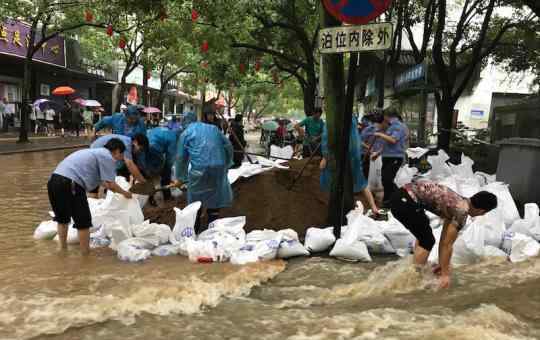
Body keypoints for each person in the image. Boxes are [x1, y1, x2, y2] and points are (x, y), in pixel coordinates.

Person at [390, 180, 497, 288]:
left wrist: (442, 266)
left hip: (400, 195)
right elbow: (447, 244)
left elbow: (444, 239)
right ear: (482, 211)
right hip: (405, 201)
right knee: (427, 240)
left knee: (424, 233)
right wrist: (445, 275)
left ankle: (416, 266)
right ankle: (413, 278)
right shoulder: (461, 212)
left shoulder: (459, 201)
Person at [47, 138, 132, 255]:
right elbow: (111, 185)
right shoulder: (107, 157)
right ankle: (85, 255)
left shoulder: (94, 153)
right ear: (117, 151)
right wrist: (125, 193)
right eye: (121, 154)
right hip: (70, 183)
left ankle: (62, 250)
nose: (121, 158)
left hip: (53, 181)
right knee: (83, 222)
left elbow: (103, 182)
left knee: (62, 219)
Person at [173, 111, 233, 234]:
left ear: (184, 121)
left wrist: (180, 177)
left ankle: (194, 231)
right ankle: (213, 230)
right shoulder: (213, 128)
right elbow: (228, 145)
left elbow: (180, 158)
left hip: (199, 169)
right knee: (215, 197)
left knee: (196, 199)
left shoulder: (186, 133)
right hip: (219, 167)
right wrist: (227, 163)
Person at [319, 115, 379, 214]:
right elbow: (356, 140)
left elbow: (330, 139)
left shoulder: (336, 118)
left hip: (339, 156)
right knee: (359, 180)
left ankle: (338, 208)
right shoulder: (351, 119)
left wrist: (325, 158)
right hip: (351, 156)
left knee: (336, 180)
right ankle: (373, 207)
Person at [373, 108, 408, 206]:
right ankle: (391, 200)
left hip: (395, 157)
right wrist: (378, 153)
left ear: (387, 116)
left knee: (387, 179)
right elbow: (388, 144)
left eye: (384, 116)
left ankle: (392, 199)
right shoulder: (391, 127)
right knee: (385, 179)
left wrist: (380, 134)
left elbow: (393, 140)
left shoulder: (398, 126)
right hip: (388, 157)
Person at [147, 127, 179, 200]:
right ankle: (167, 196)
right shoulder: (173, 138)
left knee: (148, 173)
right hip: (155, 149)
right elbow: (170, 157)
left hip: (145, 146)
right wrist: (168, 169)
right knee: (166, 173)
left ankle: (150, 198)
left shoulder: (160, 129)